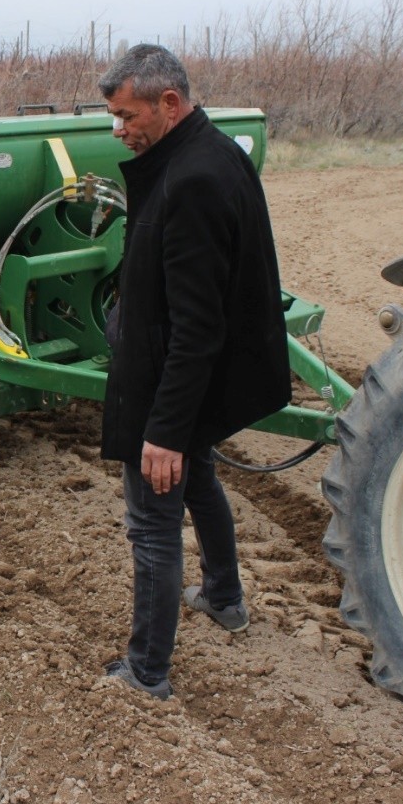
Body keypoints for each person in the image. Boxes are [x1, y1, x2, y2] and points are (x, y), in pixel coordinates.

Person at [96, 45, 291, 700]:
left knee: (152, 521)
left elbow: (199, 325)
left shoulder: (193, 181)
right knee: (200, 476)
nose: (118, 129)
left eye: (126, 115)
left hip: (170, 383)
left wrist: (165, 429)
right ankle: (224, 596)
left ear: (169, 104)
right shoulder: (208, 154)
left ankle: (146, 671)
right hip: (197, 378)